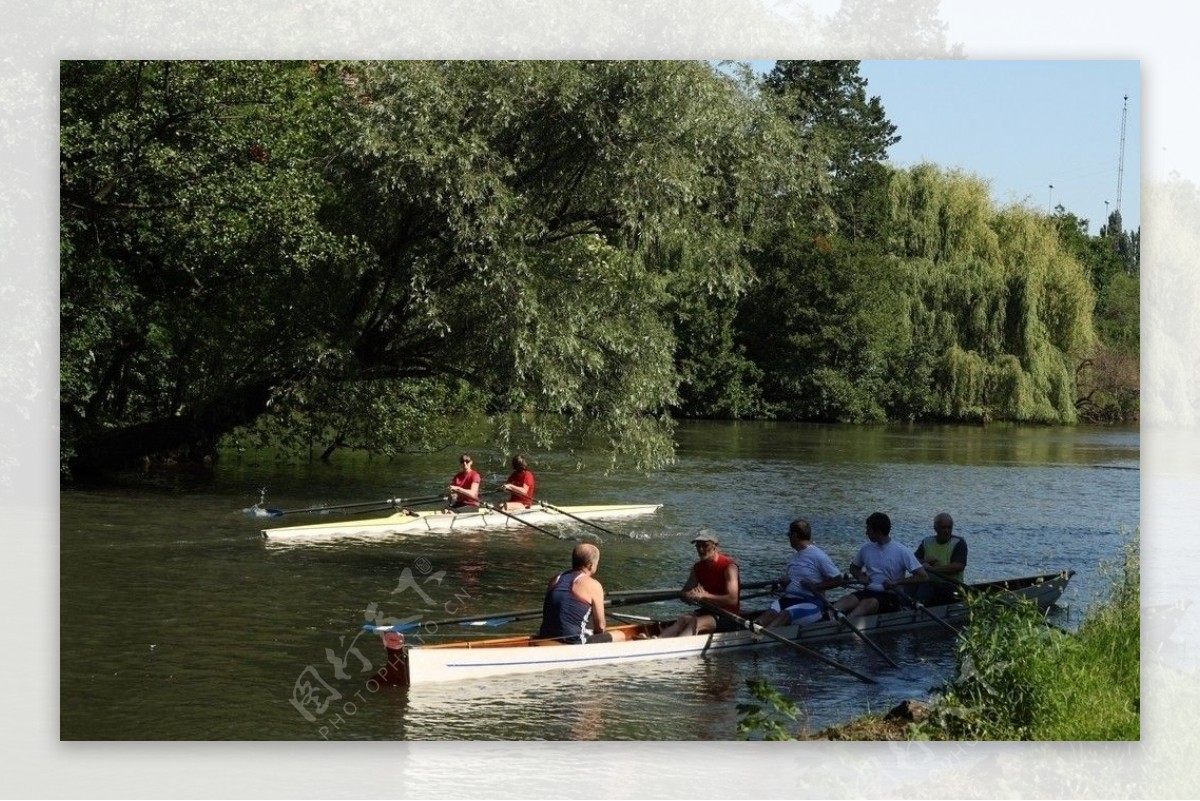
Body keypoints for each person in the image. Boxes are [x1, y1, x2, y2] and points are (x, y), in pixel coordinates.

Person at [832, 512, 928, 619]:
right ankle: (828, 615)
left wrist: (896, 582)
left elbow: (923, 576)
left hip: (891, 596)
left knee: (868, 603)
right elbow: (853, 567)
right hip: (868, 591)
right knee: (847, 600)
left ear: (877, 531)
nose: (866, 533)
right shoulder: (866, 548)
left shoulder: (902, 551)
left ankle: (844, 623)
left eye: (868, 530)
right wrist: (859, 576)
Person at [755, 519, 846, 629]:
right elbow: (791, 583)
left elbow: (838, 579)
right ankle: (752, 634)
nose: (788, 537)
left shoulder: (818, 555)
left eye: (789, 534)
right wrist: (783, 584)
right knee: (765, 617)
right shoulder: (794, 558)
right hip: (787, 600)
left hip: (811, 603)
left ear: (795, 535)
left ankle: (762, 639)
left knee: (785, 614)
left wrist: (815, 586)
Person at [536, 543, 626, 644]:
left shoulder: (555, 579)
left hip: (544, 637)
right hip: (573, 642)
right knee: (620, 635)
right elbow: (600, 627)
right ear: (590, 565)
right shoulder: (594, 585)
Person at [657, 531, 741, 638]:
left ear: (715, 546)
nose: (701, 550)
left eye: (705, 546)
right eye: (698, 546)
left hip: (728, 615)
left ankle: (673, 647)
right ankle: (654, 642)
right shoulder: (697, 567)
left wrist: (704, 595)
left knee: (695, 622)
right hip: (707, 610)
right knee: (682, 619)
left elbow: (733, 599)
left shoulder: (729, 567)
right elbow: (684, 592)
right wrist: (688, 596)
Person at [912, 512, 968, 605]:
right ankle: (912, 607)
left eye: (949, 527)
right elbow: (913, 561)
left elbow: (958, 566)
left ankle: (918, 608)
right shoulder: (927, 542)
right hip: (929, 583)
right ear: (935, 528)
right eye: (943, 527)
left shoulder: (958, 543)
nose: (946, 531)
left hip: (952, 586)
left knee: (932, 587)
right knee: (911, 584)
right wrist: (924, 561)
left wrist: (932, 569)